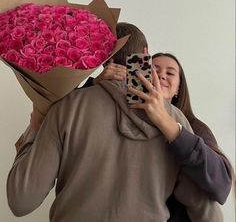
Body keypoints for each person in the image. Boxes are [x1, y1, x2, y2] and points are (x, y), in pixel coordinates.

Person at [7, 23, 223, 222]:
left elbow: (21, 201)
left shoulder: (66, 108)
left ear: (100, 56)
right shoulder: (175, 122)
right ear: (146, 55)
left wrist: (35, 127)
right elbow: (207, 210)